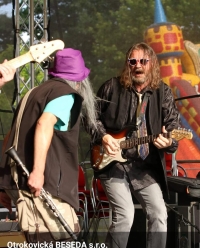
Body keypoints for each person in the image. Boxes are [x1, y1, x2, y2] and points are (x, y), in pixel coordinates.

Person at [0, 48, 97, 242]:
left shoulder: (32, 94)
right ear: (79, 81)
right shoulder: (65, 94)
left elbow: (12, 136)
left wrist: (4, 184)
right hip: (45, 187)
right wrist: (38, 171)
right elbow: (44, 124)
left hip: (20, 182)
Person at [92, 42, 180, 248]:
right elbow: (90, 118)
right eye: (133, 61)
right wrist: (104, 137)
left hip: (144, 165)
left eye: (143, 61)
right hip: (112, 163)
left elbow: (173, 130)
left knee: (159, 213)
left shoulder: (163, 93)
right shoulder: (111, 87)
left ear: (152, 64)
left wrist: (168, 142)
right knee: (125, 216)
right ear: (127, 64)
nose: (138, 65)